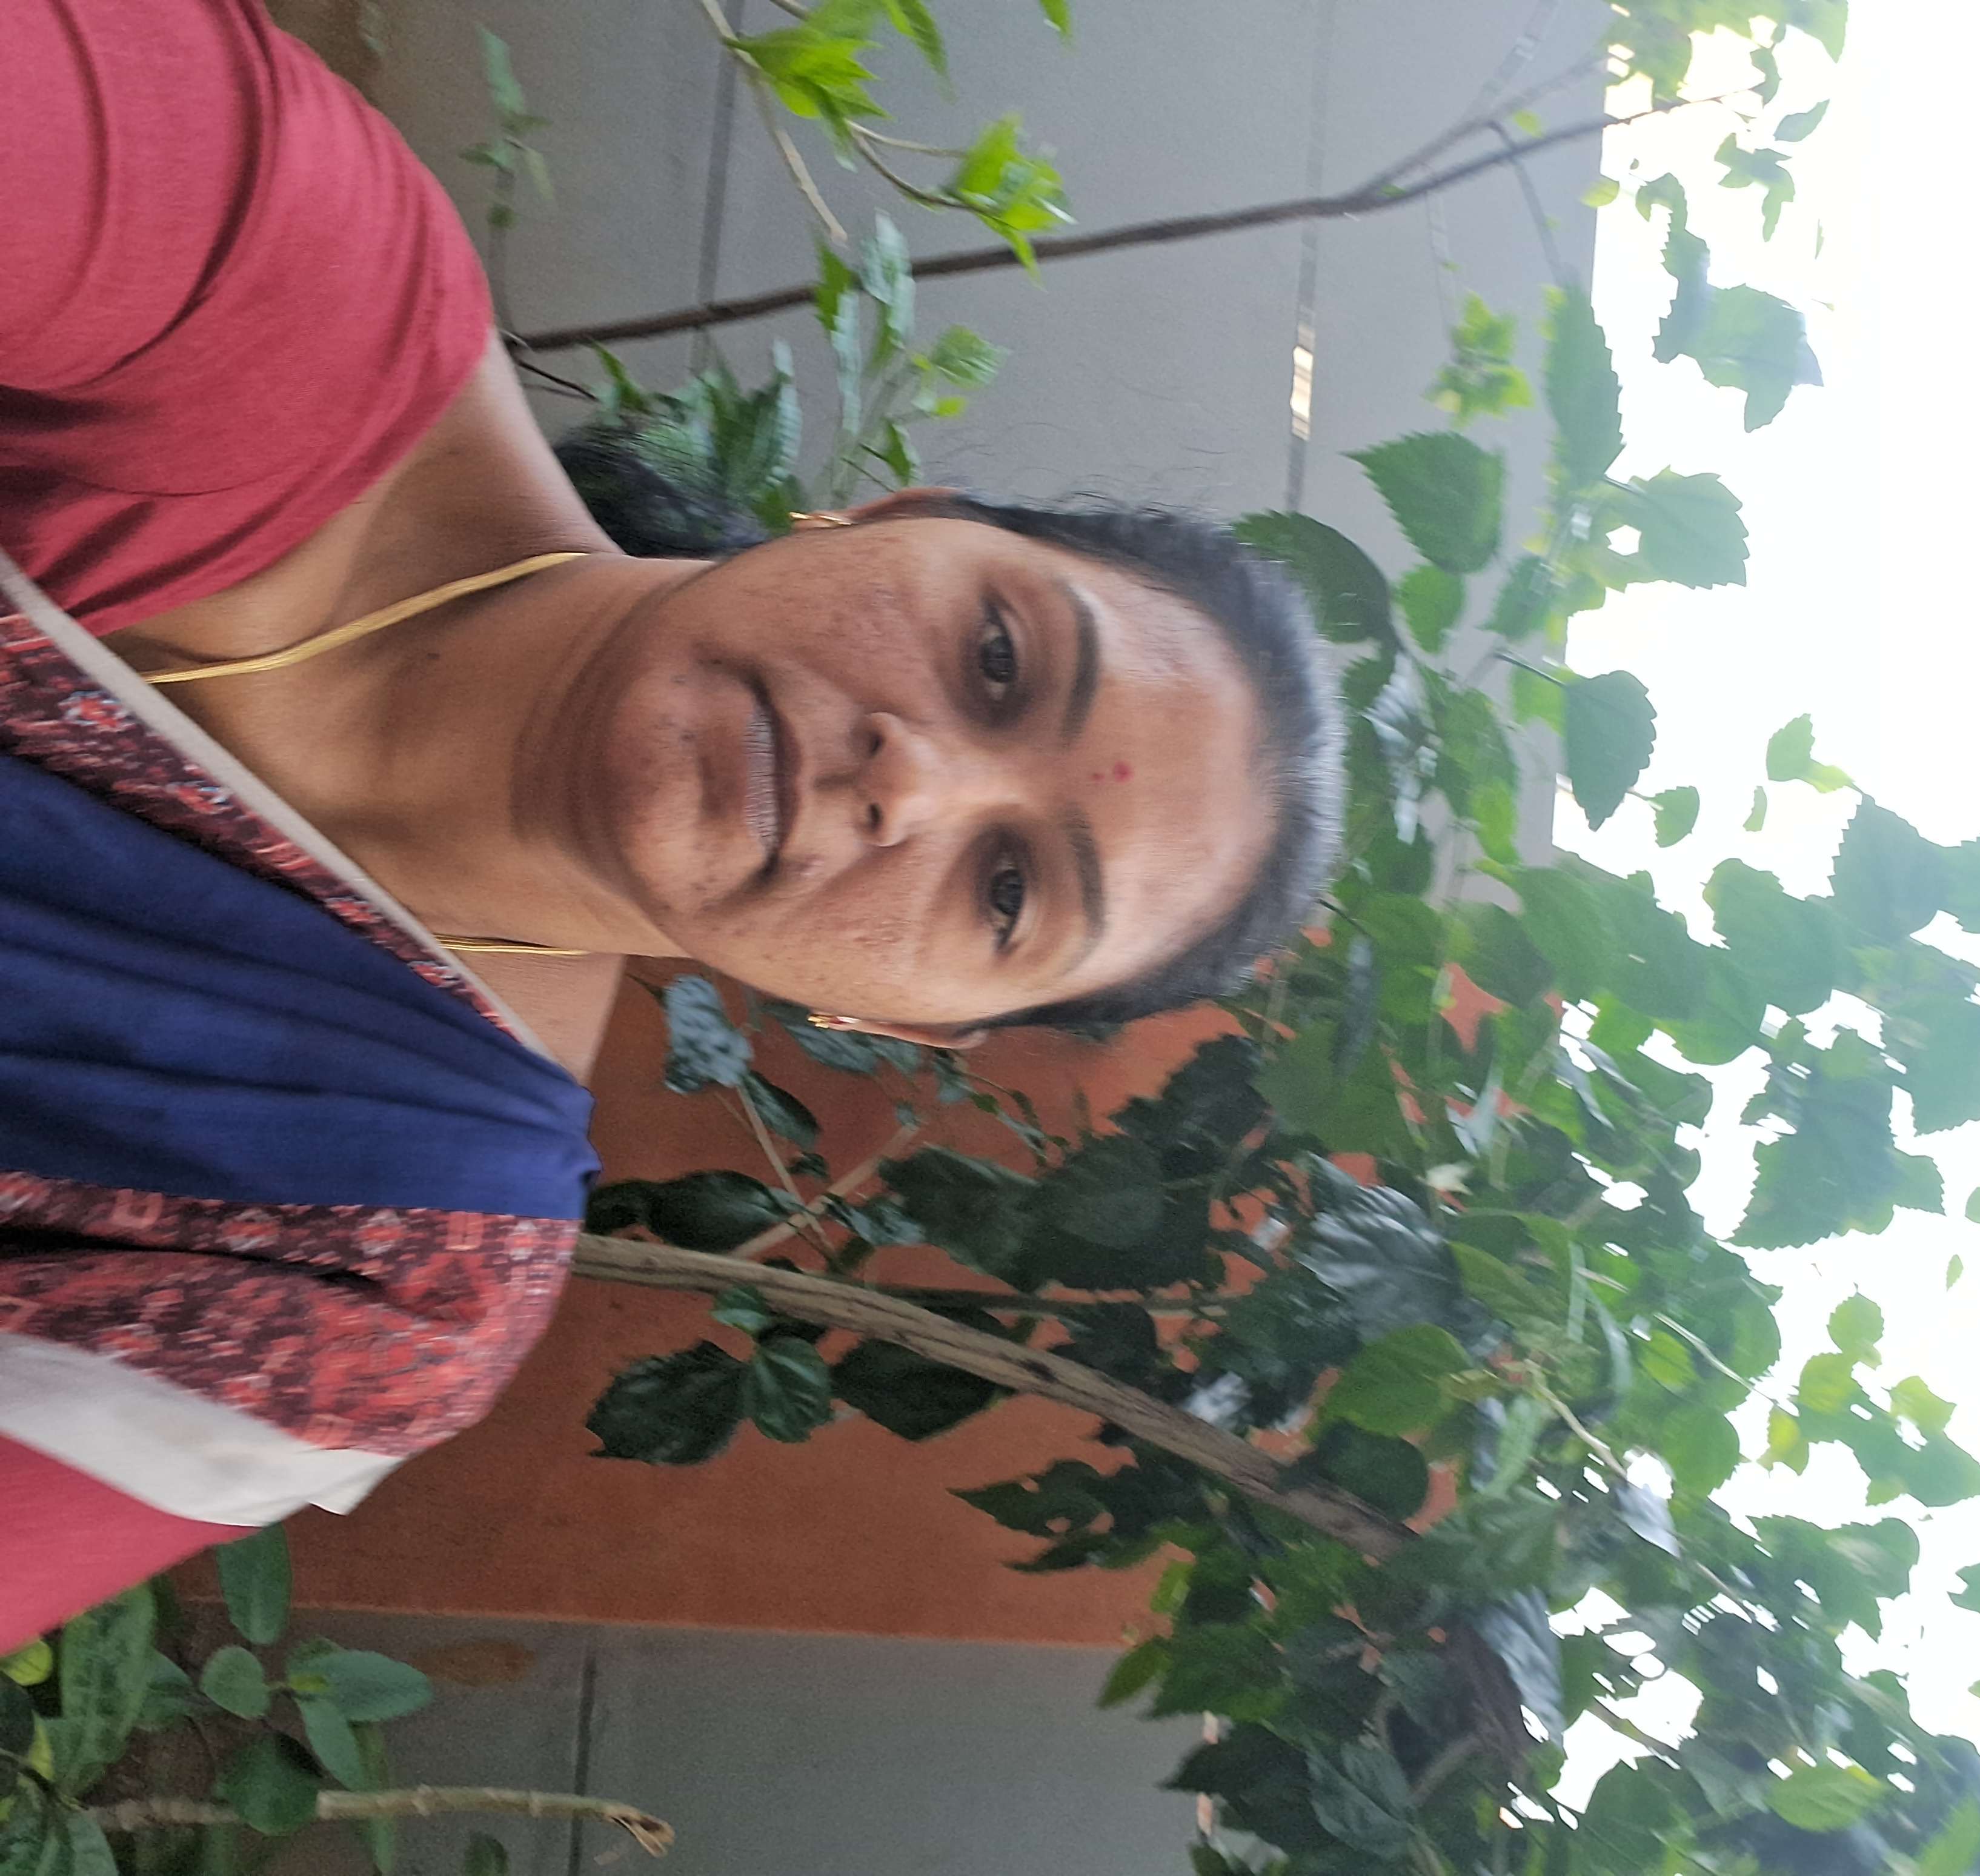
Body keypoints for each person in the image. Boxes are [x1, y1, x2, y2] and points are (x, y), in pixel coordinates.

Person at [0, 0, 1340, 1645]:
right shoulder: (273, 271)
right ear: (886, 516)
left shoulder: (379, 1272)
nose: (910, 784)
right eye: (998, 658)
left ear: (894, 1020)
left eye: (1005, 891)